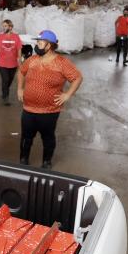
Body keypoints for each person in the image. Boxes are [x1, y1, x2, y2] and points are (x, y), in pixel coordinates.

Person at [17, 30, 83, 170]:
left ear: (49, 45)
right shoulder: (32, 60)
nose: (37, 45)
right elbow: (21, 72)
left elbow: (77, 77)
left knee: (48, 138)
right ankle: (23, 159)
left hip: (49, 111)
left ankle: (46, 161)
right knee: (26, 137)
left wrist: (67, 95)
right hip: (28, 109)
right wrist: (20, 89)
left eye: (40, 42)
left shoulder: (61, 63)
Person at [0, 19, 23, 105]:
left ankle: (4, 90)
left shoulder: (16, 37)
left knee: (9, 80)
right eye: (3, 26)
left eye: (5, 26)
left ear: (10, 27)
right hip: (2, 63)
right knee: (5, 80)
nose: (4, 28)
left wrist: (20, 61)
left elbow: (19, 49)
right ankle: (5, 97)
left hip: (13, 63)